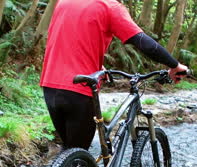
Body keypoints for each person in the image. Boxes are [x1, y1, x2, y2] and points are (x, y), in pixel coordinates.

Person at [40, 0, 188, 151]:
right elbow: (144, 43)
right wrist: (175, 65)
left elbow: (70, 38)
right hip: (79, 90)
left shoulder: (65, 2)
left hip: (50, 85)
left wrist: (96, 66)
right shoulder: (110, 7)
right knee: (77, 155)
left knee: (69, 151)